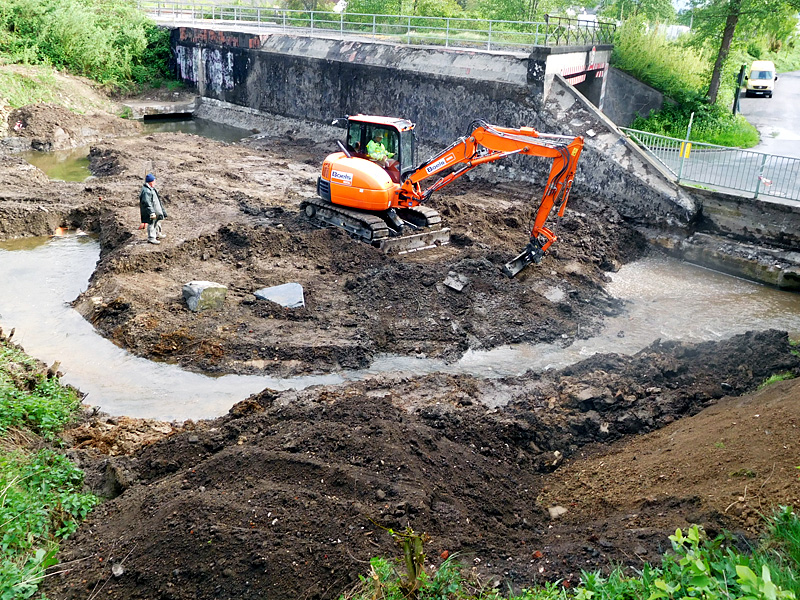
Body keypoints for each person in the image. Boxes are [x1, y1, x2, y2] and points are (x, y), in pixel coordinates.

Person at [139, 173, 167, 245]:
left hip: (155, 210)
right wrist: (151, 212)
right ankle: (151, 238)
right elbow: (147, 203)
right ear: (151, 182)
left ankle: (158, 234)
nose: (155, 182)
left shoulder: (151, 189)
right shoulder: (146, 191)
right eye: (154, 181)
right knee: (152, 223)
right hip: (151, 211)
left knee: (157, 221)